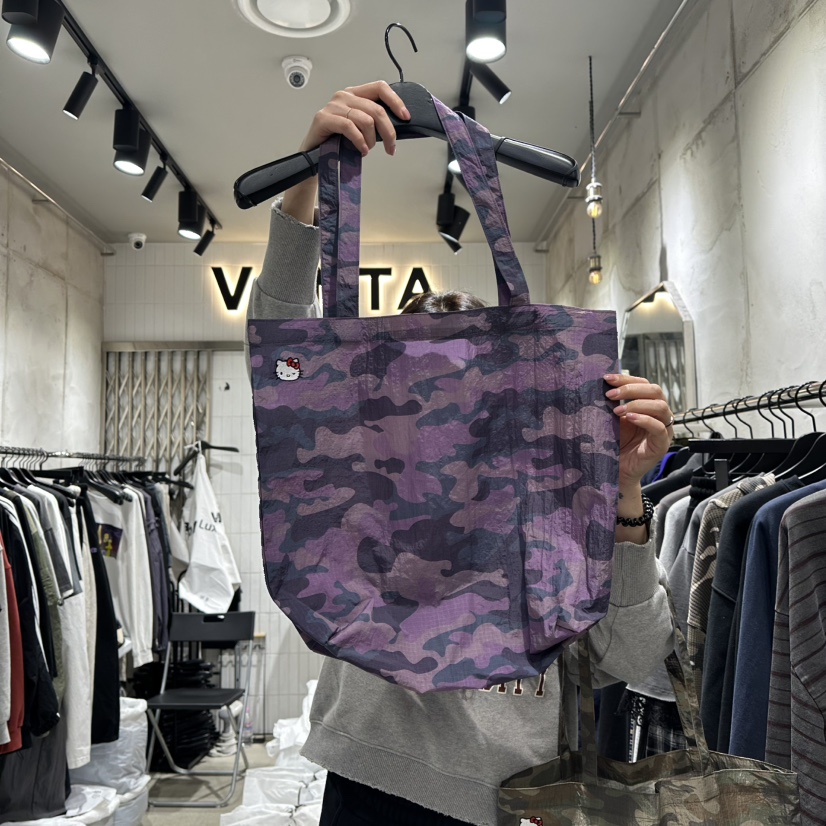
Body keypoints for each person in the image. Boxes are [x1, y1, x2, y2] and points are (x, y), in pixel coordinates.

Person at [247, 81, 676, 826]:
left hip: (523, 798)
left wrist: (626, 491)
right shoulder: (364, 487)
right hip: (376, 783)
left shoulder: (548, 491)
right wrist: (305, 190)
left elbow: (631, 656)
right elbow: (285, 343)